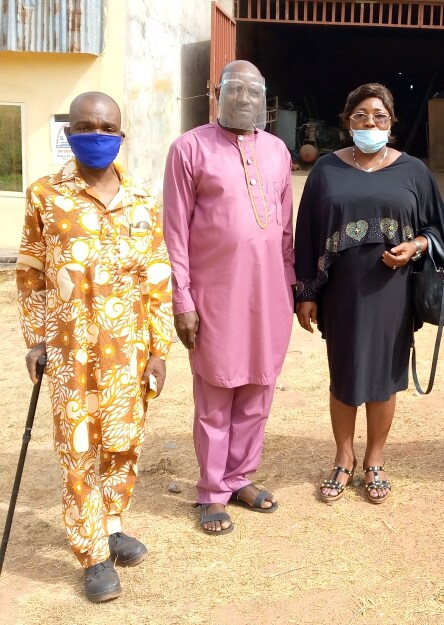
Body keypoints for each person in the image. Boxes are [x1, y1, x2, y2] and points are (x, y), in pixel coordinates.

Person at [16, 92, 172, 602]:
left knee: (123, 444)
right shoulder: (45, 195)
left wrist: (158, 349)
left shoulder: (143, 199)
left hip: (127, 352)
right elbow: (32, 274)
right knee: (79, 449)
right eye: (85, 125)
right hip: (70, 350)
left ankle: (111, 524)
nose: (96, 134)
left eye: (106, 127)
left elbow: (157, 279)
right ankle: (91, 553)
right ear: (68, 132)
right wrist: (36, 339)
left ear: (120, 133)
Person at [294, 83, 444, 505]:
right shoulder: (326, 169)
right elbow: (307, 233)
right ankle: (343, 457)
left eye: (379, 116)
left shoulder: (413, 171)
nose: (370, 122)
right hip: (341, 291)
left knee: (384, 377)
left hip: (393, 291)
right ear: (347, 122)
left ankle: (374, 460)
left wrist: (415, 247)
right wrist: (306, 292)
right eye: (361, 115)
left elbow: (437, 229)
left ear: (391, 123)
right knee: (344, 375)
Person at [163, 60, 295, 534]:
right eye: (234, 89)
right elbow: (175, 232)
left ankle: (240, 478)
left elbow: (285, 233)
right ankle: (211, 491)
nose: (244, 98)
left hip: (269, 296)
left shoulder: (279, 151)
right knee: (217, 394)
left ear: (265, 99)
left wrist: (292, 291)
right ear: (216, 93)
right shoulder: (188, 149)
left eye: (254, 90)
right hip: (214, 298)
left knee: (258, 392)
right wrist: (183, 300)